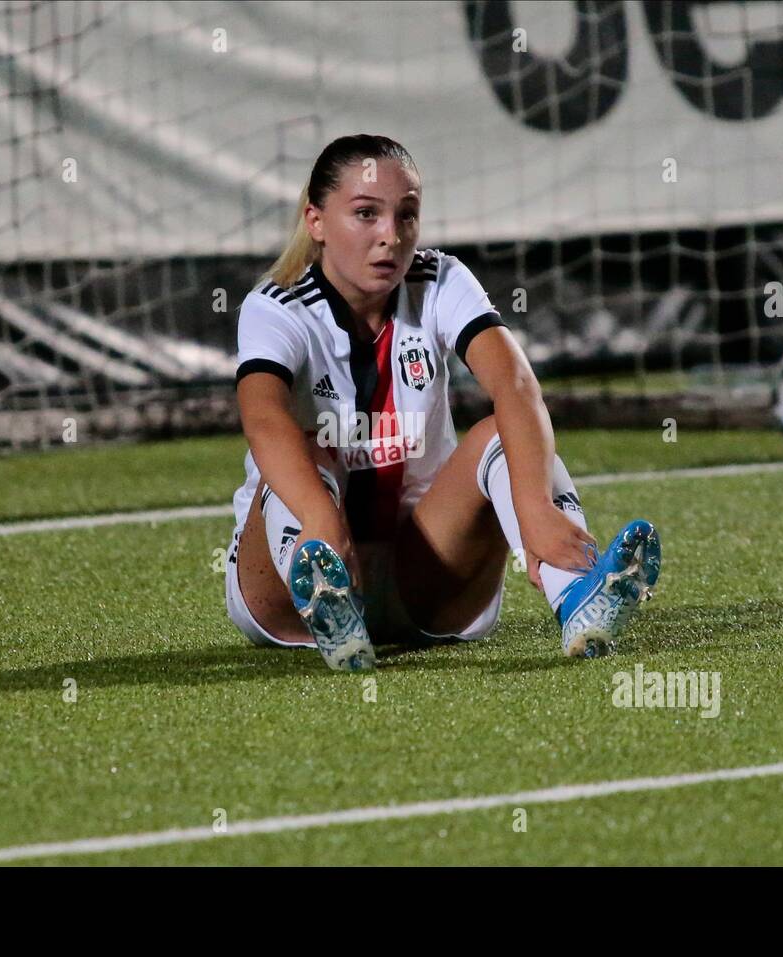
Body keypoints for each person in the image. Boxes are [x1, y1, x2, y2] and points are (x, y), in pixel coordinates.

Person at [225, 134, 660, 671]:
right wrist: (320, 516)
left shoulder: (441, 279)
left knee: (503, 433)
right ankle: (326, 601)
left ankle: (576, 595)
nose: (390, 236)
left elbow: (516, 386)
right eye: (366, 214)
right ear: (315, 222)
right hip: (288, 583)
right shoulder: (276, 305)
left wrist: (535, 510)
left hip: (426, 575)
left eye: (406, 215)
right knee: (306, 451)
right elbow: (263, 419)